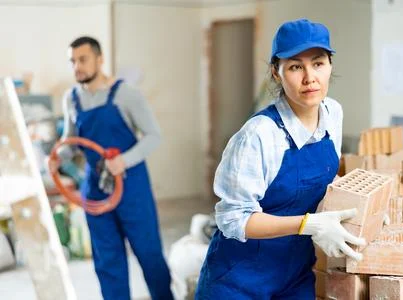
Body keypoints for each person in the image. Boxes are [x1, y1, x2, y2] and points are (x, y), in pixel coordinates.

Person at [195, 19, 366, 299]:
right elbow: (234, 219)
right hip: (238, 281)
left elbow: (323, 181)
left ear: (330, 65)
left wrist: (365, 211)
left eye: (318, 63)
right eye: (296, 66)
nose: (310, 77)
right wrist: (307, 224)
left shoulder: (333, 114)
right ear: (277, 73)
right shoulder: (259, 135)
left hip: (293, 277)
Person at [60, 36, 173, 300]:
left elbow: (153, 135)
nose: (77, 66)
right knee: (107, 261)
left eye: (83, 59)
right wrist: (58, 157)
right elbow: (71, 141)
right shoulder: (71, 99)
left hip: (131, 187)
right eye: (72, 61)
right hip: (96, 190)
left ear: (99, 59)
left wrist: (123, 160)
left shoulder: (126, 94)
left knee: (149, 253)